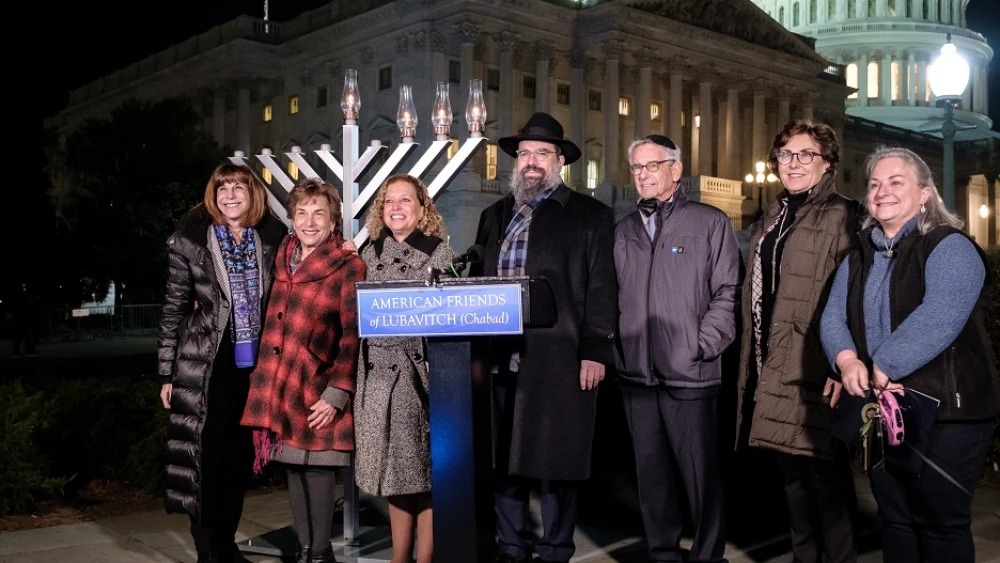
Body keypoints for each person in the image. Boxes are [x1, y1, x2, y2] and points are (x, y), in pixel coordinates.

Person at [820, 146, 999, 563]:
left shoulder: (950, 246)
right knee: (896, 518)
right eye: (875, 184)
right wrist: (846, 360)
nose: (882, 192)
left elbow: (940, 316)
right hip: (885, 408)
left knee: (940, 522)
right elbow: (832, 317)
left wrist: (880, 367)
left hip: (949, 413)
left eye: (896, 182)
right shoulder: (860, 253)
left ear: (924, 194)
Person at [470, 112, 617, 563]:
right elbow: (478, 276)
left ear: (559, 161)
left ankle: (555, 548)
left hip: (558, 353)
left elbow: (602, 286)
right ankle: (512, 544)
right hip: (499, 355)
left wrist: (594, 348)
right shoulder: (493, 215)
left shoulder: (589, 215)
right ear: (516, 161)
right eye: (526, 153)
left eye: (543, 153)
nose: (532, 161)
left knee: (558, 458)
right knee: (502, 460)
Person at [734, 120, 861, 563]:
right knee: (792, 477)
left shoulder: (844, 213)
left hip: (816, 365)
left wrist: (843, 363)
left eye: (806, 155)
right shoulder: (773, 214)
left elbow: (853, 297)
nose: (793, 163)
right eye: (786, 154)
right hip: (773, 360)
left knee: (826, 477)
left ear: (827, 164)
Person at [614, 134, 739, 563]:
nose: (643, 174)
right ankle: (662, 552)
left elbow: (727, 292)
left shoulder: (709, 222)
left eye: (652, 165)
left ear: (675, 169)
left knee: (699, 475)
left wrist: (701, 346)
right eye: (637, 168)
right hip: (636, 373)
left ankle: (707, 555)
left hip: (690, 371)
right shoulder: (624, 229)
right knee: (650, 476)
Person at [158, 162, 286, 563]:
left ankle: (226, 543)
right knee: (204, 458)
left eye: (239, 187)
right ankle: (208, 548)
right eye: (223, 188)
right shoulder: (193, 239)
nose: (230, 195)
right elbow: (173, 307)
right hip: (205, 364)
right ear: (213, 195)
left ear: (253, 194)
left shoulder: (272, 237)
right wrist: (165, 372)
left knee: (237, 460)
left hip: (254, 366)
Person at [240, 179, 364, 563]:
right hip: (282, 382)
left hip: (321, 382)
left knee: (320, 469)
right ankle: (307, 549)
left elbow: (352, 334)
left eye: (319, 214)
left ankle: (322, 552)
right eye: (302, 213)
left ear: (332, 221)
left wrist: (338, 392)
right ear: (292, 218)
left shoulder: (348, 264)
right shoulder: (281, 258)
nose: (310, 221)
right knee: (293, 467)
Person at [354, 174, 457, 563]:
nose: (396, 208)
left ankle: (424, 557)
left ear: (422, 209)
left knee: (423, 474)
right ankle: (400, 557)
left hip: (417, 378)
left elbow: (447, 318)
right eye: (389, 202)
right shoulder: (367, 254)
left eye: (406, 201)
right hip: (376, 377)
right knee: (396, 476)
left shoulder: (439, 254)